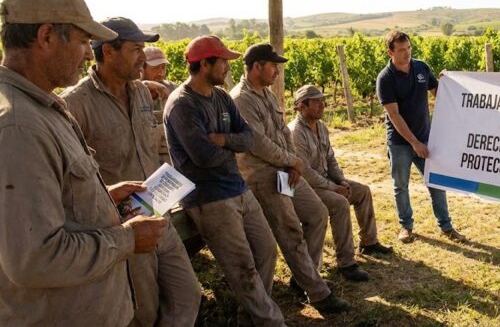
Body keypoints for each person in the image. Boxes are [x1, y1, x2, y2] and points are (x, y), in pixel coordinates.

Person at [0, 0, 167, 325]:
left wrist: (102, 196)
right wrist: (126, 240)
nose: (90, 53)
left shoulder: (40, 107)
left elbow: (45, 204)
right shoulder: (19, 126)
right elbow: (36, 258)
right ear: (46, 37)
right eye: (83, 41)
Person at [62, 17, 201, 326]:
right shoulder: (75, 104)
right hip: (121, 226)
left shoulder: (139, 92)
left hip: (159, 214)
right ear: (109, 51)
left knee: (187, 294)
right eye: (136, 48)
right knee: (143, 310)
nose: (143, 56)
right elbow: (68, 177)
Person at [164, 36, 284, 326]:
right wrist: (231, 145)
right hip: (209, 197)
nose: (229, 68)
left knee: (266, 249)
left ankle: (252, 314)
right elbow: (203, 156)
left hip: (237, 186)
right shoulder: (182, 105)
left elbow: (247, 138)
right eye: (223, 62)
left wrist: (224, 140)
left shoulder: (221, 98)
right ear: (204, 64)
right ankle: (270, 321)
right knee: (241, 265)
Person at [231, 43, 352, 312]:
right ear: (257, 66)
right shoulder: (241, 99)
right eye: (273, 65)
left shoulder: (268, 95)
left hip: (286, 172)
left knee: (318, 213)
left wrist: (293, 163)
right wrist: (291, 161)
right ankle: (317, 292)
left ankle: (305, 276)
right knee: (290, 232)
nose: (276, 71)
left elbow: (284, 134)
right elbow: (258, 143)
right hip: (263, 177)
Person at [375, 30, 465, 244]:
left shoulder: (421, 67)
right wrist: (414, 142)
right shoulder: (385, 79)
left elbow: (439, 93)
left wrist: (449, 83)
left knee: (436, 182)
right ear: (390, 52)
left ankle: (446, 226)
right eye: (401, 50)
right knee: (401, 185)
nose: (407, 53)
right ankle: (406, 226)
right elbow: (394, 115)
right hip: (399, 142)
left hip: (426, 137)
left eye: (409, 48)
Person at [288, 84, 393, 262]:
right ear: (301, 106)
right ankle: (346, 261)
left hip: (327, 180)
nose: (323, 105)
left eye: (323, 101)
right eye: (316, 102)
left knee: (362, 191)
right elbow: (306, 172)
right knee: (339, 203)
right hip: (308, 187)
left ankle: (369, 242)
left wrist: (341, 181)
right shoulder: (296, 132)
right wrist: (334, 188)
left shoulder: (321, 127)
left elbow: (330, 159)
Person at [141, 45, 178, 164]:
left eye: (163, 67)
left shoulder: (173, 89)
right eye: (155, 68)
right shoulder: (132, 93)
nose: (161, 73)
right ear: (142, 68)